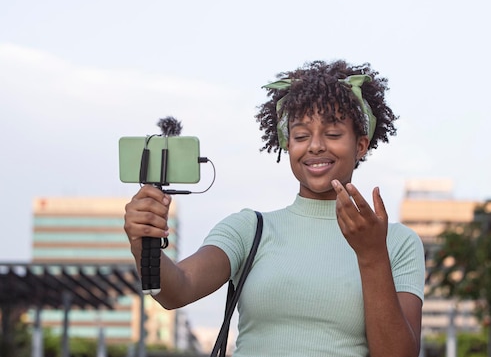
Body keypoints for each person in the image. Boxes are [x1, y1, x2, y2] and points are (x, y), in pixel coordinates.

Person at [124, 59, 425, 357]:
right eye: (301, 135)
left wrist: (372, 256)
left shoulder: (396, 243)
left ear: (361, 145)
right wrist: (142, 241)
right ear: (287, 144)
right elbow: (177, 290)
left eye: (333, 134)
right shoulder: (249, 229)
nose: (315, 146)